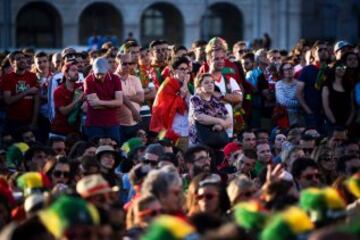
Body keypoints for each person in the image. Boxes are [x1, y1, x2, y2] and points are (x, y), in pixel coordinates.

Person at [150, 56, 191, 143]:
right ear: (173, 71)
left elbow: (192, 105)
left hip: (187, 128)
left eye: (186, 69)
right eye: (182, 69)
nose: (185, 72)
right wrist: (182, 94)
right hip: (171, 128)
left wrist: (185, 86)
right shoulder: (167, 85)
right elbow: (166, 108)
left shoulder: (189, 85)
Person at [84, 57, 123, 143]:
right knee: (95, 149)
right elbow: (94, 105)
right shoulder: (88, 80)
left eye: (103, 73)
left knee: (115, 148)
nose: (100, 76)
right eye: (98, 74)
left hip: (112, 122)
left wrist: (100, 102)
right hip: (94, 123)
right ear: (93, 70)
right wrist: (112, 103)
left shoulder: (115, 79)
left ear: (107, 70)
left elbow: (119, 102)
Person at [3, 51, 40, 134]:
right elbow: (8, 100)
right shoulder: (7, 78)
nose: (22, 60)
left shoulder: (33, 76)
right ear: (12, 63)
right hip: (13, 121)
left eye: (23, 58)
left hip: (29, 120)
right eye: (18, 59)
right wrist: (27, 91)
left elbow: (37, 101)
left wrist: (34, 122)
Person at [188, 73, 231, 146]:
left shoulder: (216, 100)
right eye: (206, 82)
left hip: (217, 141)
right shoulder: (195, 99)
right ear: (199, 86)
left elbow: (228, 119)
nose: (210, 84)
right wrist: (219, 121)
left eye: (212, 82)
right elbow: (199, 117)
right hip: (199, 143)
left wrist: (221, 126)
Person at [296, 41, 329, 131]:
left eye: (326, 49)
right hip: (311, 113)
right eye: (320, 50)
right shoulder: (307, 70)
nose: (323, 52)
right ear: (314, 53)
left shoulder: (330, 70)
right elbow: (298, 93)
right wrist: (308, 111)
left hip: (327, 113)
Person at [115, 53, 144, 142]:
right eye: (124, 63)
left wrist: (124, 97)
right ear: (117, 64)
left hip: (135, 123)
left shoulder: (135, 79)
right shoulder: (112, 79)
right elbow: (118, 98)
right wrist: (133, 109)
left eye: (130, 63)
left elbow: (141, 98)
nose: (128, 66)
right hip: (119, 125)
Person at [50, 62, 84, 138]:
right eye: (73, 70)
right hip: (60, 132)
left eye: (77, 70)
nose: (76, 72)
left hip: (75, 131)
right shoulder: (59, 91)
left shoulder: (81, 87)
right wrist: (78, 99)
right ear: (66, 74)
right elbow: (64, 111)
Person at [322, 61, 355, 128]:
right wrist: (335, 123)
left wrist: (347, 124)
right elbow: (326, 107)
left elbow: (353, 107)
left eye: (344, 67)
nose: (342, 69)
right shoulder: (327, 86)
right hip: (331, 124)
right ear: (334, 69)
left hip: (347, 124)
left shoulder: (349, 87)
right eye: (339, 67)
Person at [275, 61, 300, 126]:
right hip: (284, 116)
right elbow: (283, 101)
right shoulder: (279, 84)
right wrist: (299, 103)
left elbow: (303, 98)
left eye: (290, 68)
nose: (289, 71)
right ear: (282, 72)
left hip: (299, 115)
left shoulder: (299, 83)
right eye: (286, 69)